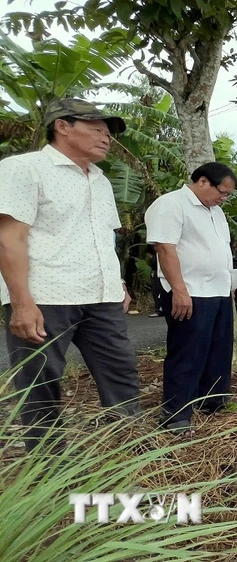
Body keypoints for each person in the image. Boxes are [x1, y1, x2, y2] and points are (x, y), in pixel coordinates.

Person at [0, 98, 141, 451]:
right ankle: (49, 468)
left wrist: (119, 282)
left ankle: (129, 450)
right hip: (46, 295)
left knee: (121, 373)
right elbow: (9, 238)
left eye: (108, 133)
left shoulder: (101, 180)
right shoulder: (24, 168)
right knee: (41, 383)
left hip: (102, 296)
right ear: (62, 126)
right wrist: (21, 303)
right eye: (97, 129)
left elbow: (103, 236)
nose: (106, 138)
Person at [144, 162, 237, 437]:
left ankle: (214, 400)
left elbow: (220, 250)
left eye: (227, 195)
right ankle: (176, 414)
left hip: (218, 291)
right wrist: (180, 290)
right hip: (190, 291)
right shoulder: (171, 205)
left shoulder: (217, 213)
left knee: (218, 349)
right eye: (222, 192)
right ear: (202, 181)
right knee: (188, 352)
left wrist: (228, 283)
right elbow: (164, 247)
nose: (224, 198)